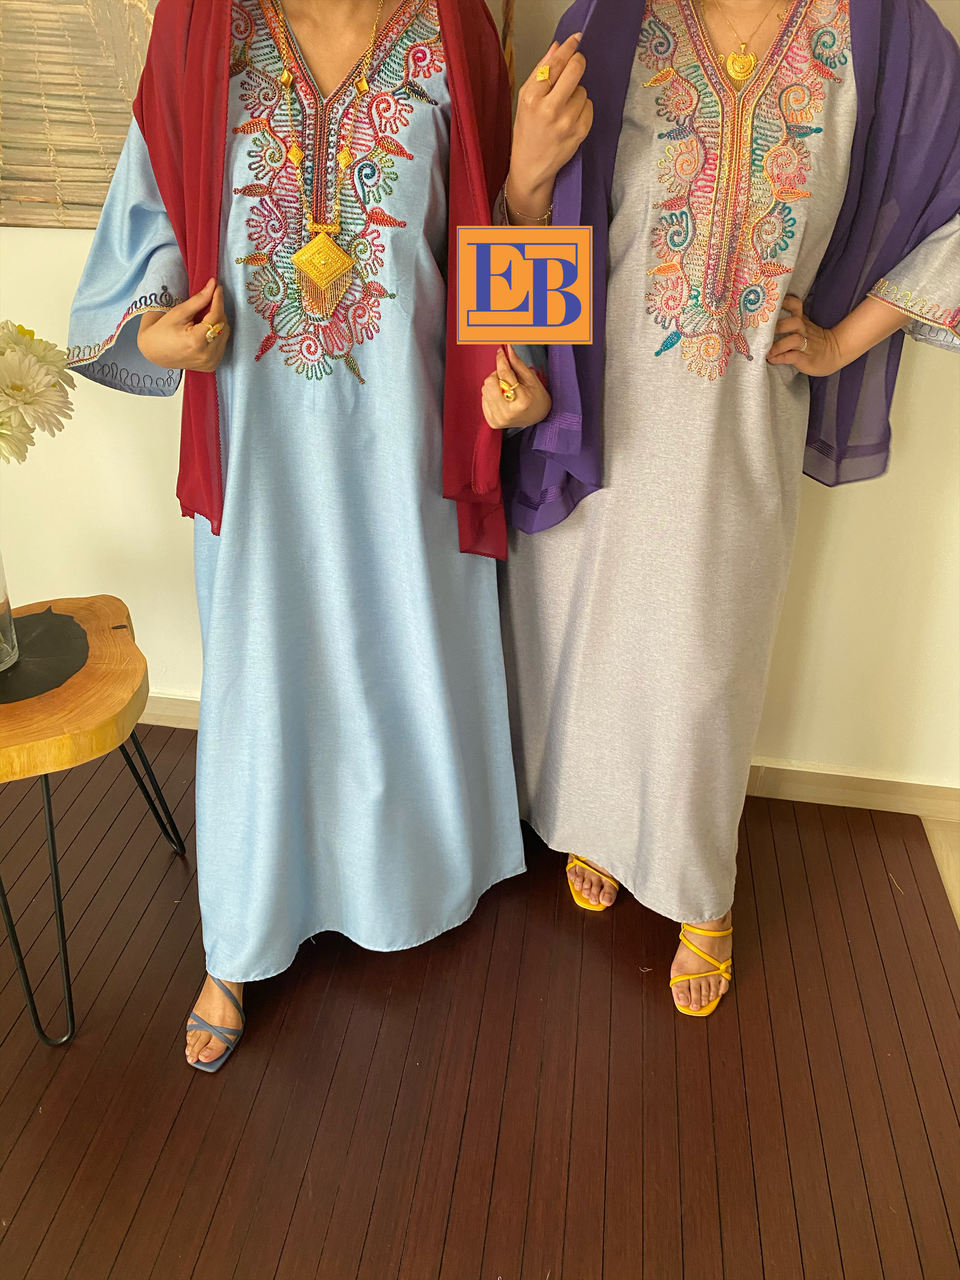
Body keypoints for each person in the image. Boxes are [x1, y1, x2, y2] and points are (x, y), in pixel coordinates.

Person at [68, 0, 545, 1071]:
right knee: (262, 671)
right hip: (259, 448)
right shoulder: (204, 34)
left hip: (407, 440)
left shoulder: (453, 34)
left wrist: (521, 379)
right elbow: (145, 233)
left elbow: (494, 227)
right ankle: (239, 937)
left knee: (401, 651)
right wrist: (156, 334)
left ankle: (410, 880)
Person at [487, 0, 960, 1017]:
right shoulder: (614, 20)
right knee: (581, 629)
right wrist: (515, 370)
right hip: (591, 406)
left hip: (737, 421)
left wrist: (841, 341)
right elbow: (537, 212)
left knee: (706, 661)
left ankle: (700, 887)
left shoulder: (883, 35)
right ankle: (599, 822)